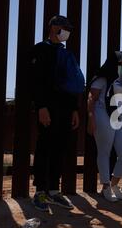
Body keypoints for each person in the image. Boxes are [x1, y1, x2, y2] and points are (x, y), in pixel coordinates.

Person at [30, 15, 85, 212]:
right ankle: (39, 192)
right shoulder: (40, 50)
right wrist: (41, 107)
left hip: (65, 108)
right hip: (48, 107)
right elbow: (36, 81)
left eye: (68, 28)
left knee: (60, 148)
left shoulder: (66, 53)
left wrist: (75, 110)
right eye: (64, 27)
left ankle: (53, 190)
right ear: (53, 27)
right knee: (45, 146)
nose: (67, 31)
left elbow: (71, 84)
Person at [87, 51, 122, 202]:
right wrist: (91, 118)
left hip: (121, 115)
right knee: (104, 151)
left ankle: (114, 185)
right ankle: (106, 187)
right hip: (103, 113)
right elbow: (91, 98)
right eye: (121, 63)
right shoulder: (102, 77)